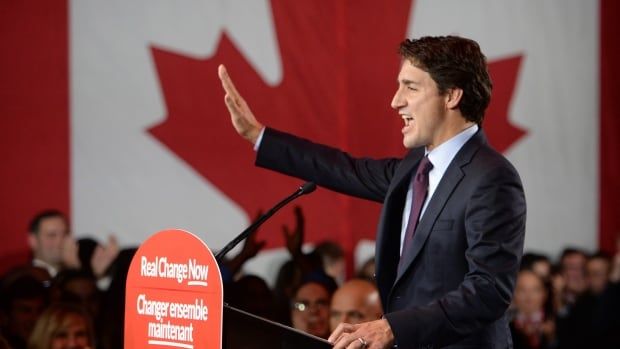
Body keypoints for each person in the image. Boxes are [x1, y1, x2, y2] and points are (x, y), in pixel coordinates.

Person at [218, 35, 526, 348]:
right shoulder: (416, 166)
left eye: (411, 87)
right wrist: (259, 136)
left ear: (452, 96)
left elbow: (489, 290)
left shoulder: (491, 178)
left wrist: (392, 328)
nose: (396, 101)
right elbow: (342, 169)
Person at [27, 210, 70, 278]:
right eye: (52, 235)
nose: (60, 241)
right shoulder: (24, 279)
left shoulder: (76, 278)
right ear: (33, 241)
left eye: (65, 234)